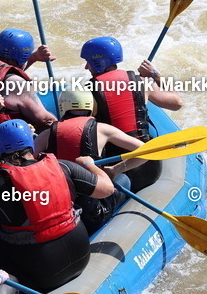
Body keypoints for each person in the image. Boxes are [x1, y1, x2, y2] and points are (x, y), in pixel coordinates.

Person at [0, 119, 115, 293]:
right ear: (30, 142)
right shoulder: (62, 166)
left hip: (41, 273)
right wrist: (90, 165)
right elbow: (107, 189)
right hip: (81, 256)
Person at [81, 36, 183, 191]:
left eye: (88, 61)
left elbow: (80, 131)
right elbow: (177, 103)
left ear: (98, 62)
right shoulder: (141, 82)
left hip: (114, 168)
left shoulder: (88, 91)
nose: (86, 67)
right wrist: (156, 74)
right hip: (149, 165)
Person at [34, 88, 144, 230]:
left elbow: (29, 164)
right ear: (91, 106)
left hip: (62, 211)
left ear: (62, 107)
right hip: (94, 214)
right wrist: (115, 170)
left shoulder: (46, 134)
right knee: (124, 179)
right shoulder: (103, 129)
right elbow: (144, 152)